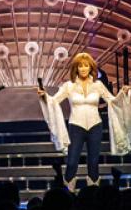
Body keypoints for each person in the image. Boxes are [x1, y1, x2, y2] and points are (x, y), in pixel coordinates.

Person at [38, 52, 117, 188]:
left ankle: (92, 196)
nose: (83, 69)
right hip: (76, 126)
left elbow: (113, 101)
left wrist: (124, 94)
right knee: (72, 162)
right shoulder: (69, 86)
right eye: (80, 66)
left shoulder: (98, 85)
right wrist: (44, 95)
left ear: (91, 68)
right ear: (76, 68)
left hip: (95, 126)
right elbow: (54, 101)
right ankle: (69, 195)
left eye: (86, 66)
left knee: (93, 162)